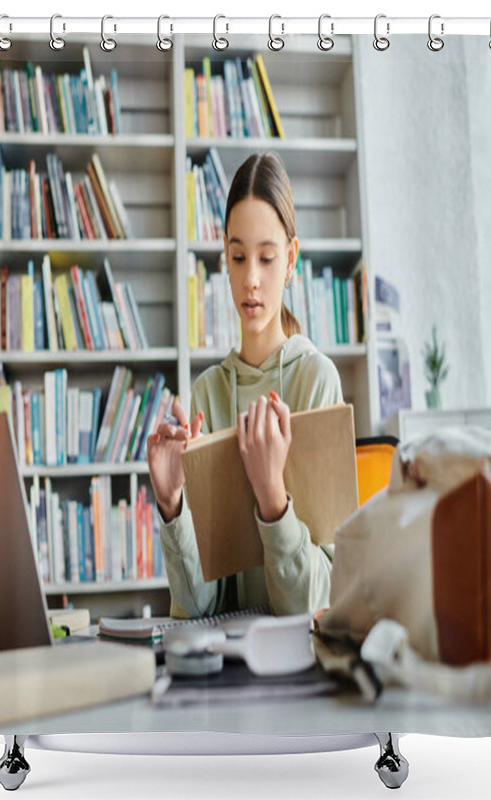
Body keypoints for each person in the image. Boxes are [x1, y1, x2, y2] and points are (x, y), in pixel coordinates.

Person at [147, 152, 343, 618]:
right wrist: (171, 505)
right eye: (238, 257)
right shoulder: (207, 393)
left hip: (299, 667)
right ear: (225, 260)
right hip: (225, 669)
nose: (250, 279)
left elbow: (314, 604)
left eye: (267, 258)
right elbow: (198, 607)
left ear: (291, 259)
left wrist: (272, 496)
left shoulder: (318, 381)